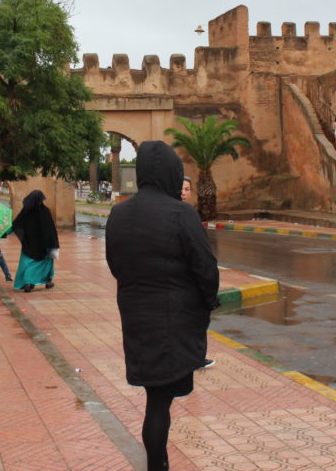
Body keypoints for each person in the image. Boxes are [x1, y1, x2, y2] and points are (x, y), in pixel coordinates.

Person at [106, 141, 220, 471]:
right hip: (176, 320)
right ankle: (158, 464)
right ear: (172, 172)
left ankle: (158, 463)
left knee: (155, 398)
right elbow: (205, 269)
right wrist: (207, 304)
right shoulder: (181, 213)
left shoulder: (119, 213)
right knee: (160, 401)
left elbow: (115, 264)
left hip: (137, 318)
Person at [181, 175, 215, 370]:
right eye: (181, 189)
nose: (183, 193)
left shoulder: (189, 212)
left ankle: (195, 358)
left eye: (187, 189)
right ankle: (193, 359)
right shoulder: (181, 213)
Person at [12, 190, 59, 293]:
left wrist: (5, 233)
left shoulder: (26, 211)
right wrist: (54, 243)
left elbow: (16, 224)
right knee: (46, 263)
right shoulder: (45, 211)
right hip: (44, 244)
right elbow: (51, 229)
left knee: (28, 264)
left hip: (29, 244)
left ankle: (28, 283)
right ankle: (47, 281)